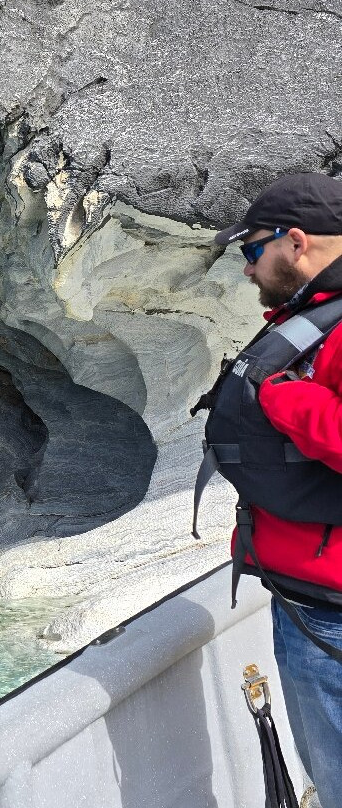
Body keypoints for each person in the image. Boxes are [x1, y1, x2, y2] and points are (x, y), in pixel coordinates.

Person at [202, 173, 342, 808]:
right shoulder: (314, 321)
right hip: (315, 600)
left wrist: (283, 395)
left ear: (297, 240)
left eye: (251, 251)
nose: (248, 269)